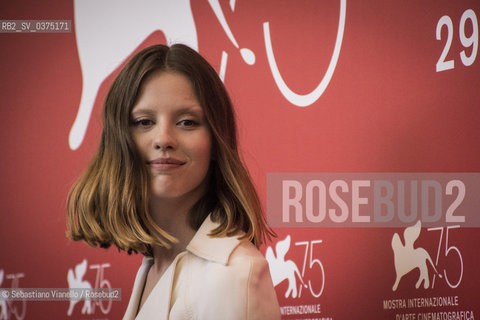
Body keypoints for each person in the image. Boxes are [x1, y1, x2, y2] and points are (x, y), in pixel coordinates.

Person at [66, 44, 281, 319]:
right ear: (118, 142)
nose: (164, 139)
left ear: (216, 142)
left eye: (187, 122)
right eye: (144, 122)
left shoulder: (233, 275)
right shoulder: (153, 266)